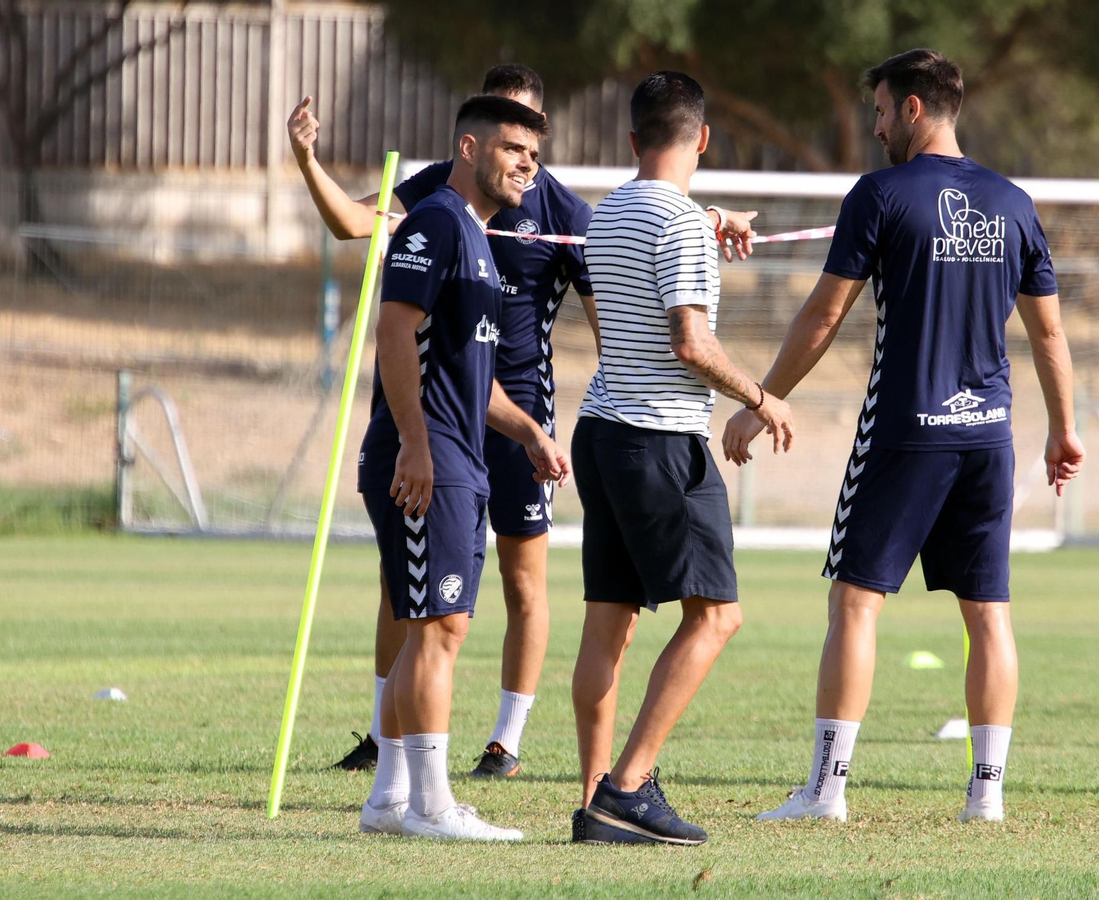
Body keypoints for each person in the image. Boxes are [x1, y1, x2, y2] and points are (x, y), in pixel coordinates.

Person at [288, 65, 756, 775]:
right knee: (410, 588)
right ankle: (391, 746)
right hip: (440, 412)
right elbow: (354, 224)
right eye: (504, 126)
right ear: (476, 136)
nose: (520, 146)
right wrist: (306, 162)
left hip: (520, 418)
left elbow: (622, 292)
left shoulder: (562, 210)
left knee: (522, 580)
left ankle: (506, 739)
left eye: (529, 130)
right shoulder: (441, 198)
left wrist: (711, 222)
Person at [722, 49, 1083, 825]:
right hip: (990, 437)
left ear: (915, 109)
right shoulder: (1014, 202)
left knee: (855, 603)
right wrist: (1064, 429)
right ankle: (986, 795)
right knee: (988, 611)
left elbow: (824, 315)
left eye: (882, 110)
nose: (876, 124)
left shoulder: (880, 194)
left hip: (907, 430)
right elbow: (1050, 336)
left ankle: (826, 792)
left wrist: (763, 398)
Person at [568, 71, 793, 847]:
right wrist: (763, 398)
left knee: (609, 621)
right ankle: (627, 789)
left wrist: (713, 219)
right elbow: (690, 342)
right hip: (660, 438)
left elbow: (661, 242)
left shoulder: (608, 215)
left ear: (632, 140)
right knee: (717, 617)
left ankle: (593, 798)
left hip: (599, 433)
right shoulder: (687, 225)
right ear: (703, 138)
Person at [355, 95, 567, 841]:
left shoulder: (478, 236)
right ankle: (432, 807)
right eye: (513, 148)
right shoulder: (436, 221)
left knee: (428, 629)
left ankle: (387, 801)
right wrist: (413, 443)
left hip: (460, 453)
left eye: (534, 155)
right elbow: (393, 330)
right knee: (439, 626)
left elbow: (469, 374)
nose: (526, 165)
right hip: (427, 459)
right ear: (469, 148)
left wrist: (531, 433)